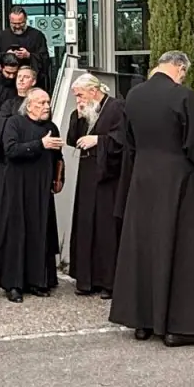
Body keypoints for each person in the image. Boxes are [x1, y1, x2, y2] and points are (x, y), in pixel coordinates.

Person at [109, 51, 194, 347]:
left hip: (143, 178)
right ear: (180, 68)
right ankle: (178, 327)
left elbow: (128, 140)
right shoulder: (182, 96)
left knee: (144, 246)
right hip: (176, 179)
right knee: (181, 247)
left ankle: (143, 321)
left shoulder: (133, 96)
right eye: (184, 73)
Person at [0, 88, 64, 302]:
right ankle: (13, 284)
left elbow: (58, 156)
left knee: (39, 232)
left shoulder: (51, 127)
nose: (46, 106)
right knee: (16, 235)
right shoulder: (14, 123)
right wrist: (40, 144)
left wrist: (59, 178)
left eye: (48, 102)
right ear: (29, 105)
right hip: (17, 189)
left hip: (41, 190)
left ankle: (37, 280)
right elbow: (10, 150)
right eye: (42, 103)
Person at [65, 72, 124, 297]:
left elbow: (123, 139)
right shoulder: (83, 110)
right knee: (86, 223)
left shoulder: (116, 108)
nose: (78, 100)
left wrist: (99, 140)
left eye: (80, 95)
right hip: (87, 174)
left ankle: (109, 282)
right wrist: (79, 118)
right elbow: (73, 140)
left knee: (106, 227)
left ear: (93, 90)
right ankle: (86, 280)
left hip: (108, 176)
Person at [0, 6, 52, 93]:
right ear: (9, 20)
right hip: (8, 85)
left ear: (26, 19)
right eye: (14, 23)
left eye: (20, 23)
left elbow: (45, 59)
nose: (17, 26)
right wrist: (6, 55)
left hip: (32, 85)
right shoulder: (2, 37)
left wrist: (29, 56)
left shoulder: (37, 36)